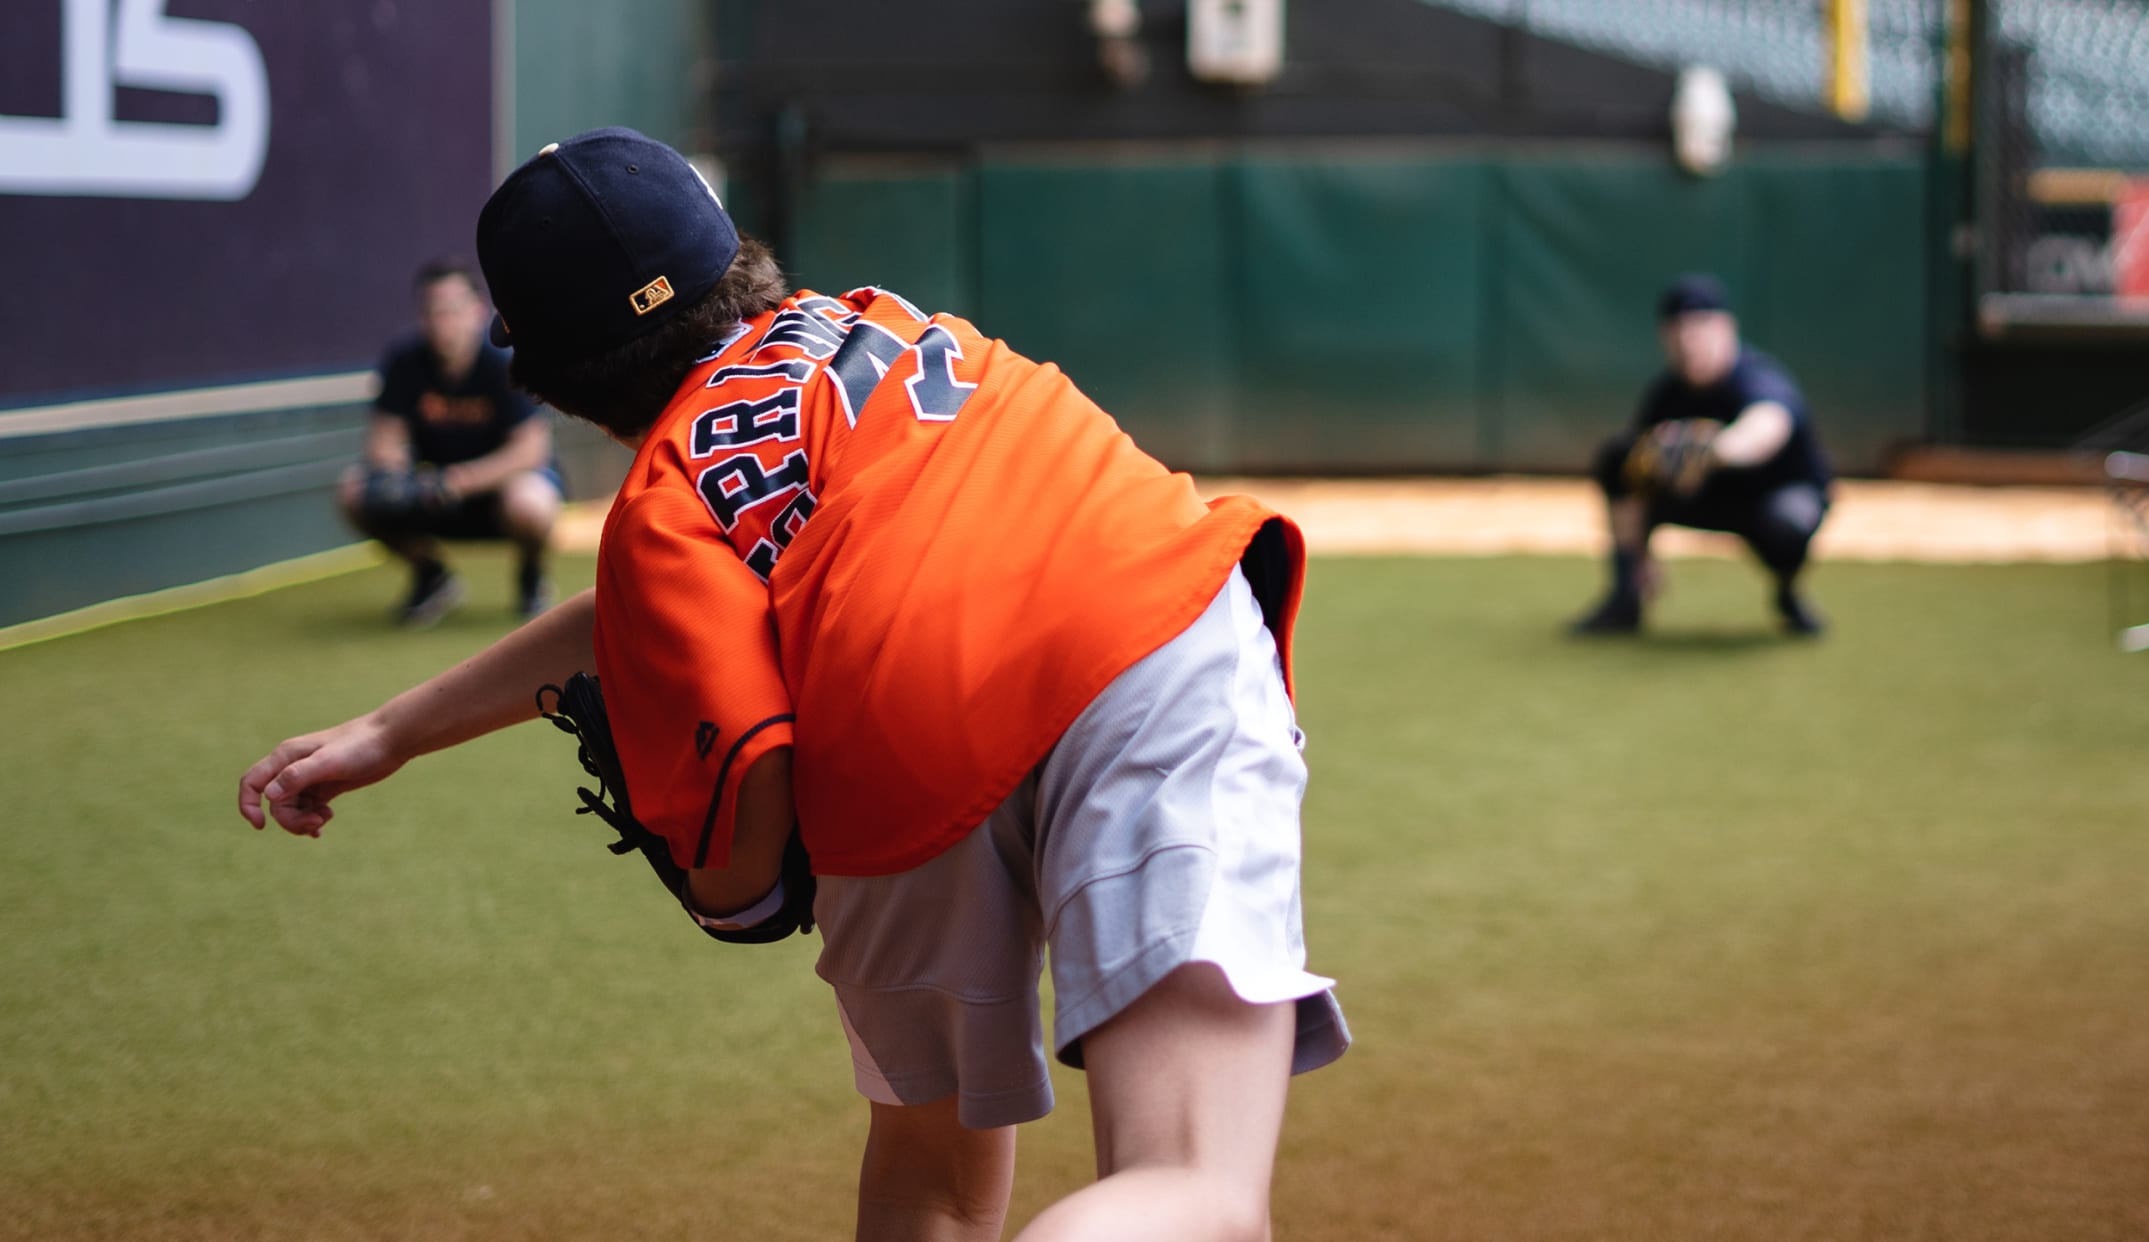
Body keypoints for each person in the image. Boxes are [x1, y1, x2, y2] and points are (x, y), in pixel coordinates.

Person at [239, 128, 1348, 1241]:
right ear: (740, 258)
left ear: (554, 380)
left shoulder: (664, 509)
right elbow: (662, 623)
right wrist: (393, 728)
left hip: (898, 741)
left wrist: (732, 890)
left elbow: (743, 791)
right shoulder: (886, 314)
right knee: (1193, 1182)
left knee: (935, 1174)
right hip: (1140, 632)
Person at [1571, 274, 1834, 637]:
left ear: (1726, 328)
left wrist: (1713, 449)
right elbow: (1637, 470)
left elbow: (1766, 428)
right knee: (1619, 461)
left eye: (1700, 330)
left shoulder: (1756, 376)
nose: (1689, 342)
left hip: (1772, 496)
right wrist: (1643, 554)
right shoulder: (1667, 392)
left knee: (1786, 524)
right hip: (1708, 497)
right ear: (1665, 337)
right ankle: (1625, 595)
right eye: (1679, 332)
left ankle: (1788, 591)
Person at [339, 260, 565, 625]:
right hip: (433, 490)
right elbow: (384, 440)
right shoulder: (405, 361)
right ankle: (432, 577)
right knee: (354, 490)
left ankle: (531, 574)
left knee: (530, 502)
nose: (442, 319)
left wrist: (458, 480)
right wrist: (394, 471)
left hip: (496, 492)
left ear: (477, 310)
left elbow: (530, 451)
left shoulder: (502, 363)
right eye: (432, 310)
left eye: (452, 309)